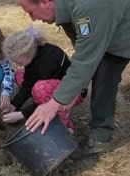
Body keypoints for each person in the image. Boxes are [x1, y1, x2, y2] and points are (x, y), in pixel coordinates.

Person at [18, 0, 130, 153]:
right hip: (104, 29)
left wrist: (53, 104)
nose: (32, 19)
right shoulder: (64, 10)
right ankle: (101, 135)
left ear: (45, 2)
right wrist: (76, 88)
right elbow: (81, 49)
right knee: (100, 72)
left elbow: (85, 60)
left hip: (122, 32)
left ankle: (101, 135)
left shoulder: (88, 8)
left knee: (104, 77)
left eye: (31, 12)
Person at [2, 26, 86, 134]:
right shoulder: (33, 56)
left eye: (19, 62)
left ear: (27, 52)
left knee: (40, 89)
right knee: (19, 74)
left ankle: (65, 128)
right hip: (51, 86)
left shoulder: (50, 58)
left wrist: (21, 114)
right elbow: (28, 83)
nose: (17, 64)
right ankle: (38, 105)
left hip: (71, 94)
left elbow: (54, 98)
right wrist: (13, 105)